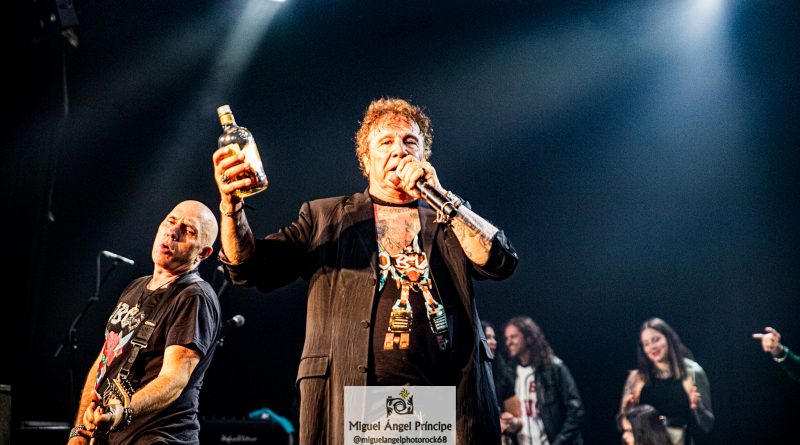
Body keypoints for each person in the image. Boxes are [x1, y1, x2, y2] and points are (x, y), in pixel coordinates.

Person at [212, 97, 519, 444]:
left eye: (410, 141)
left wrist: (443, 197)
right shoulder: (326, 218)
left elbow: (501, 261)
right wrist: (231, 206)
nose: (399, 150)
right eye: (386, 142)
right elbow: (248, 266)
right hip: (356, 397)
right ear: (365, 161)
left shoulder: (449, 217)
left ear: (424, 155)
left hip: (447, 400)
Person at [67, 200, 221, 445]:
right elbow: (104, 362)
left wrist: (120, 412)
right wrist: (80, 432)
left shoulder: (194, 296)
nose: (173, 231)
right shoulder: (136, 286)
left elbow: (174, 379)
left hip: (159, 438)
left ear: (203, 253)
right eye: (170, 221)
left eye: (188, 230)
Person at [620, 318, 714, 445]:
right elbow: (622, 426)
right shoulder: (637, 378)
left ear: (668, 338)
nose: (652, 347)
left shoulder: (692, 372)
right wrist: (625, 411)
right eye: (646, 344)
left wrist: (698, 407)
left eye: (656, 339)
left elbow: (708, 425)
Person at [500, 316, 585, 445]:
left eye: (513, 337)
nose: (508, 342)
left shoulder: (553, 368)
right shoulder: (510, 374)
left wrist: (559, 442)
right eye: (506, 338)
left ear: (528, 337)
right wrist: (511, 423)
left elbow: (576, 412)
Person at [482, 321, 518, 426]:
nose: (494, 342)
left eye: (494, 337)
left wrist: (509, 422)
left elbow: (517, 420)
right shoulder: (457, 373)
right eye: (488, 337)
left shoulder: (502, 374)